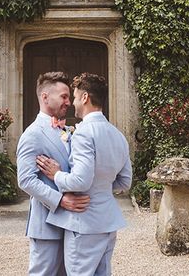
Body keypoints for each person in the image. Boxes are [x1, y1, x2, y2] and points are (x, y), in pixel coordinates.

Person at [36, 73, 132, 276]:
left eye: (76, 96)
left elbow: (81, 180)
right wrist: (101, 187)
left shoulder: (83, 132)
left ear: (85, 97)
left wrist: (57, 175)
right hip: (108, 221)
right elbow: (125, 181)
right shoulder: (118, 135)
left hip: (84, 222)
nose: (73, 103)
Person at [17, 71, 91, 276]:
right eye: (64, 97)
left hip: (73, 225)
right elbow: (25, 180)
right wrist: (60, 201)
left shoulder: (69, 131)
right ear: (45, 97)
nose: (68, 102)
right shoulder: (32, 134)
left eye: (69, 97)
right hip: (47, 225)